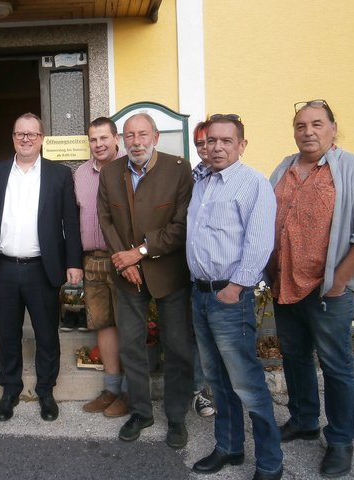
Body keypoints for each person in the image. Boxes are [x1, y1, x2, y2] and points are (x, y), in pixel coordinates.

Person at [268, 99, 354, 478]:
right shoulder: (284, 168)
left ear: (333, 128)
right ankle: (304, 419)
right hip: (285, 284)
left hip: (328, 292)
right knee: (295, 357)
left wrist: (338, 282)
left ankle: (340, 439)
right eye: (301, 125)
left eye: (317, 124)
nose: (309, 132)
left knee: (336, 365)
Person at [187, 114, 282, 480]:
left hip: (229, 296)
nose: (217, 147)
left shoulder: (252, 183)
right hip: (200, 294)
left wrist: (236, 287)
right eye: (211, 141)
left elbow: (259, 243)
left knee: (247, 384)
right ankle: (229, 448)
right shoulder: (203, 182)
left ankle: (271, 463)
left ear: (242, 145)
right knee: (218, 381)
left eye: (227, 141)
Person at [97, 113, 194, 447]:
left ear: (155, 135)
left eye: (142, 134)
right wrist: (123, 261)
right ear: (122, 139)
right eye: (129, 135)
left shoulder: (179, 169)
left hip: (168, 273)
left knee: (178, 348)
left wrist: (138, 252)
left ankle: (177, 417)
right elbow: (105, 220)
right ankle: (141, 412)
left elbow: (181, 225)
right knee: (131, 346)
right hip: (128, 274)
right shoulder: (111, 172)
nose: (136, 141)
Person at [0, 113, 83, 422]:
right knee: (8, 334)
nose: (25, 139)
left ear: (42, 138)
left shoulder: (59, 175)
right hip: (5, 268)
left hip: (43, 268)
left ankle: (46, 391)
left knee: (46, 334)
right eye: (20, 134)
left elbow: (71, 221)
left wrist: (73, 262)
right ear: (13, 138)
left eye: (32, 134)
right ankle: (10, 390)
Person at [75, 117, 128, 418]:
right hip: (92, 260)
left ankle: (132, 393)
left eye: (103, 138)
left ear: (115, 138)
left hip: (121, 259)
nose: (98, 145)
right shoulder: (81, 174)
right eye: (93, 140)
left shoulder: (128, 169)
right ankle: (112, 389)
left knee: (128, 326)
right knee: (103, 324)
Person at [190, 121, 216, 418]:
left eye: (209, 141)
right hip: (196, 278)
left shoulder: (242, 180)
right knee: (199, 339)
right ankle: (199, 393)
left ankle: (226, 394)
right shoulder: (194, 178)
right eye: (200, 143)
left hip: (229, 282)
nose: (206, 148)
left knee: (228, 343)